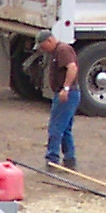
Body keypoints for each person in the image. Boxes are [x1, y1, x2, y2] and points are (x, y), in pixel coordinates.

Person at [39, 34, 79, 170]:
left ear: (49, 40)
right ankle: (69, 160)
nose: (43, 49)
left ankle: (52, 160)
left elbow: (72, 67)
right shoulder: (57, 51)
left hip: (67, 94)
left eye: (43, 46)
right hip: (67, 93)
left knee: (55, 127)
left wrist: (65, 88)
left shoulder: (63, 50)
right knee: (65, 128)